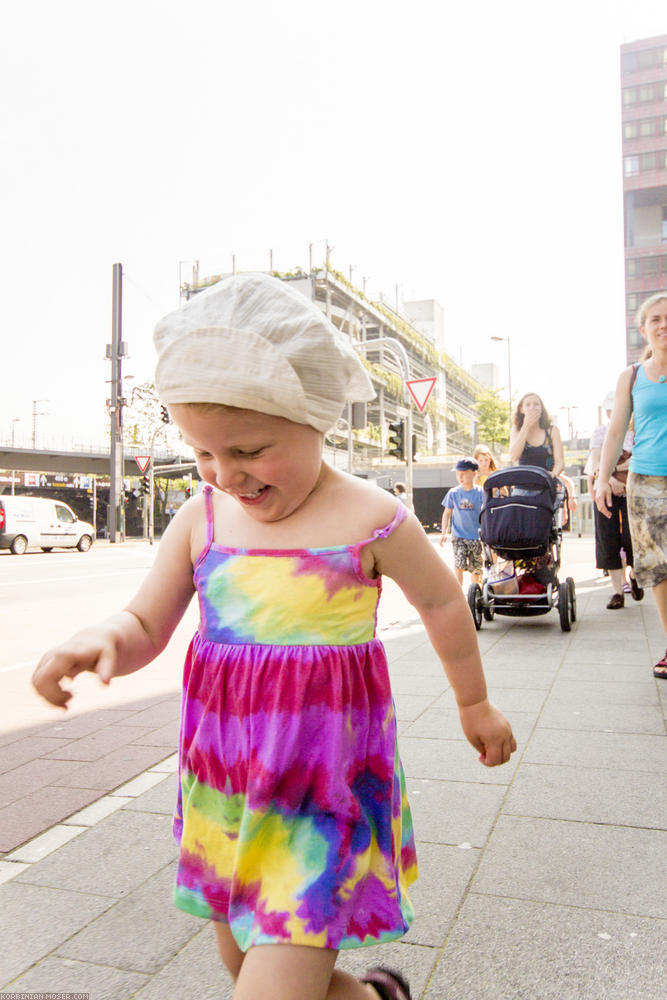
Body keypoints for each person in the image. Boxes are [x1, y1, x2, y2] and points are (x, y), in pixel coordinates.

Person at [31, 274, 516, 1000]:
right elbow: (145, 623)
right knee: (242, 965)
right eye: (203, 454)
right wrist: (103, 637)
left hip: (324, 796)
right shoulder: (201, 518)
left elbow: (443, 605)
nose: (226, 475)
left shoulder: (373, 517)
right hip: (226, 792)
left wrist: (473, 704)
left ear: (314, 418)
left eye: (250, 450)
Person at [596, 292, 667, 679]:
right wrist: (603, 478)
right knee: (657, 568)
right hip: (646, 482)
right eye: (654, 319)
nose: (663, 324)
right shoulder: (633, 376)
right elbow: (616, 431)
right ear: (643, 329)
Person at [586, 392, 642, 609]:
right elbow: (596, 461)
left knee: (633, 539)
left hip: (633, 490)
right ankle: (617, 591)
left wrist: (614, 471)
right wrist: (609, 478)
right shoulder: (600, 432)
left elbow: (639, 459)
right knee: (608, 540)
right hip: (606, 490)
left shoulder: (637, 431)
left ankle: (635, 575)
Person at [440, 457, 484, 587]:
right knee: (458, 565)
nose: (461, 477)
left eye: (464, 473)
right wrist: (444, 532)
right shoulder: (453, 493)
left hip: (476, 537)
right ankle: (458, 592)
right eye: (458, 474)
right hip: (459, 536)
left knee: (476, 568)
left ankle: (476, 592)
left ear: (474, 474)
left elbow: (487, 512)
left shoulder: (481, 492)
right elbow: (447, 513)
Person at [509, 392, 565, 477]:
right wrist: (526, 426)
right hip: (523, 485)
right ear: (521, 409)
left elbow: (560, 462)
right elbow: (513, 457)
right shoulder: (516, 430)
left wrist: (553, 474)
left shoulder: (552, 430)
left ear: (541, 408)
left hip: (547, 483)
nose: (532, 407)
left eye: (536, 404)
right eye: (528, 405)